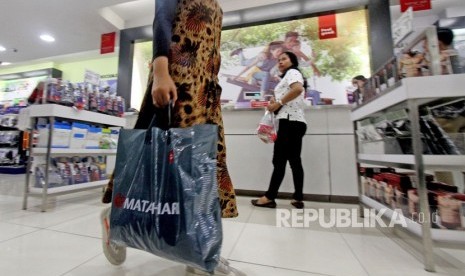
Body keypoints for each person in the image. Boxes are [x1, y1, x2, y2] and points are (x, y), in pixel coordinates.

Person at [100, 1, 244, 275]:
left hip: (206, 89)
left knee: (204, 167)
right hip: (180, 80)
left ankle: (200, 251)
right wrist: (161, 72)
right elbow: (162, 19)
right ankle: (119, 216)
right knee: (175, 164)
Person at [251, 51, 308, 209]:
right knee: (294, 161)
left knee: (279, 161)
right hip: (296, 122)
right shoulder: (288, 77)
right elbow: (291, 96)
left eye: (284, 58)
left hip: (289, 122)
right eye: (278, 60)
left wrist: (278, 103)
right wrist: (274, 103)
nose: (280, 62)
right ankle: (298, 198)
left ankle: (269, 197)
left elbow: (297, 89)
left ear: (292, 61)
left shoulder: (293, 72)